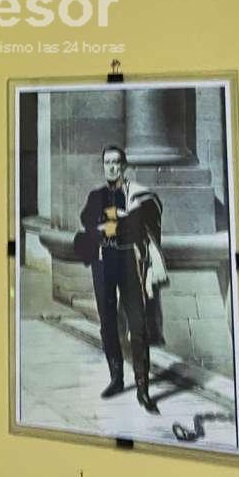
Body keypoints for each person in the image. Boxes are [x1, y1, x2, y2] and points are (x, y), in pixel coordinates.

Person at [75, 145, 168, 414]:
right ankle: (116, 379)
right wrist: (117, 222)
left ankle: (143, 390)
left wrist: (107, 224)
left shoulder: (138, 195)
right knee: (107, 322)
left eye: (116, 162)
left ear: (124, 166)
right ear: (103, 166)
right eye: (107, 162)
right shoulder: (96, 196)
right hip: (104, 263)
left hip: (129, 262)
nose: (112, 167)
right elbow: (87, 222)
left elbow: (137, 227)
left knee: (138, 325)